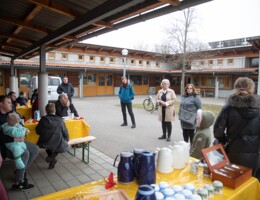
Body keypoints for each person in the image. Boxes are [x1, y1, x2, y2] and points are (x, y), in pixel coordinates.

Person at [214, 77, 260, 180]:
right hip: (255, 156)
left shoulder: (228, 108)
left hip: (233, 153)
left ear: (235, 88)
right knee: (252, 185)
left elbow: (217, 132)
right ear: (252, 89)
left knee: (234, 184)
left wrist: (224, 140)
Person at [0, 95, 39, 191]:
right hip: (5, 146)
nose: (11, 104)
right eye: (8, 102)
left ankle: (20, 171)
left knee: (35, 149)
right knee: (25, 153)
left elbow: (20, 122)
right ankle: (18, 182)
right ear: (1, 104)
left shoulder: (11, 112)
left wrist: (23, 130)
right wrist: (14, 139)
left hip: (18, 142)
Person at [36, 103, 69, 169]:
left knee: (48, 144)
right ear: (55, 110)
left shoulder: (43, 119)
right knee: (62, 143)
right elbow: (65, 131)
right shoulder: (60, 120)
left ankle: (52, 158)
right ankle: (52, 157)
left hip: (44, 141)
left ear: (46, 111)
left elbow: (38, 131)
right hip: (57, 142)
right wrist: (67, 139)